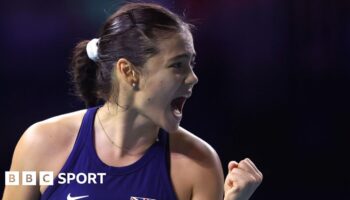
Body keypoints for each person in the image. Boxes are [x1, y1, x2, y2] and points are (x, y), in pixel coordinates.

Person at [3, 2, 262, 200]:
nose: (193, 78)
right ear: (128, 72)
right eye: (177, 65)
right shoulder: (37, 143)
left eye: (191, 64)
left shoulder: (200, 164)